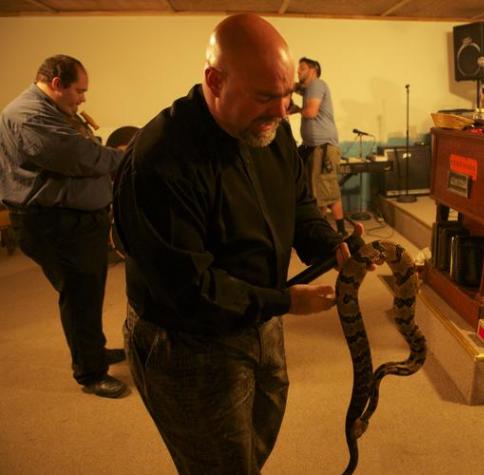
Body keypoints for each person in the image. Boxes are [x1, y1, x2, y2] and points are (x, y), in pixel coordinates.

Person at [113, 13, 367, 474]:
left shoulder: (272, 132)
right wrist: (286, 302)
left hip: (259, 317)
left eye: (288, 93)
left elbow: (299, 205)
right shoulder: (158, 161)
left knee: (250, 454)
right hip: (187, 342)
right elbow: (190, 291)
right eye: (266, 96)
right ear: (214, 80)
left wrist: (332, 245)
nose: (281, 110)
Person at [0, 55, 127, 398]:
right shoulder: (28, 116)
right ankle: (90, 373)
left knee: (88, 292)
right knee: (80, 296)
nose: (83, 98)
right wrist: (131, 156)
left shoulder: (52, 111)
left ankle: (94, 351)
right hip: (55, 223)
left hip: (76, 222)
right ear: (57, 84)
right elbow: (83, 157)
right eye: (79, 90)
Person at [289, 57, 347, 236]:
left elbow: (311, 112)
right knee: (317, 190)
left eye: (302, 68)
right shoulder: (309, 89)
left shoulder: (317, 84)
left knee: (327, 190)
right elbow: (294, 87)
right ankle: (322, 229)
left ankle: (339, 232)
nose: (298, 71)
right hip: (312, 146)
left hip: (323, 147)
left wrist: (296, 109)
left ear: (313, 70)